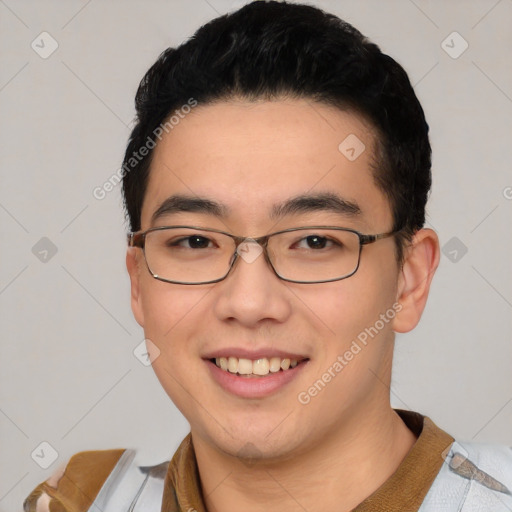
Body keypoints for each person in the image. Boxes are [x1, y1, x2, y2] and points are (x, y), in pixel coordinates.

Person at [24, 2, 512, 511]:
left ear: (409, 282)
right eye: (194, 241)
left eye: (315, 242)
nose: (250, 302)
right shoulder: (78, 502)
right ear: (137, 283)